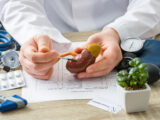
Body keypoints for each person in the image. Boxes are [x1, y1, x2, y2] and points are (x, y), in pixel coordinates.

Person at [0, 0, 160, 80]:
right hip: (51, 33)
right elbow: (15, 2)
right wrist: (33, 33)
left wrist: (117, 33)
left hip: (129, 39)